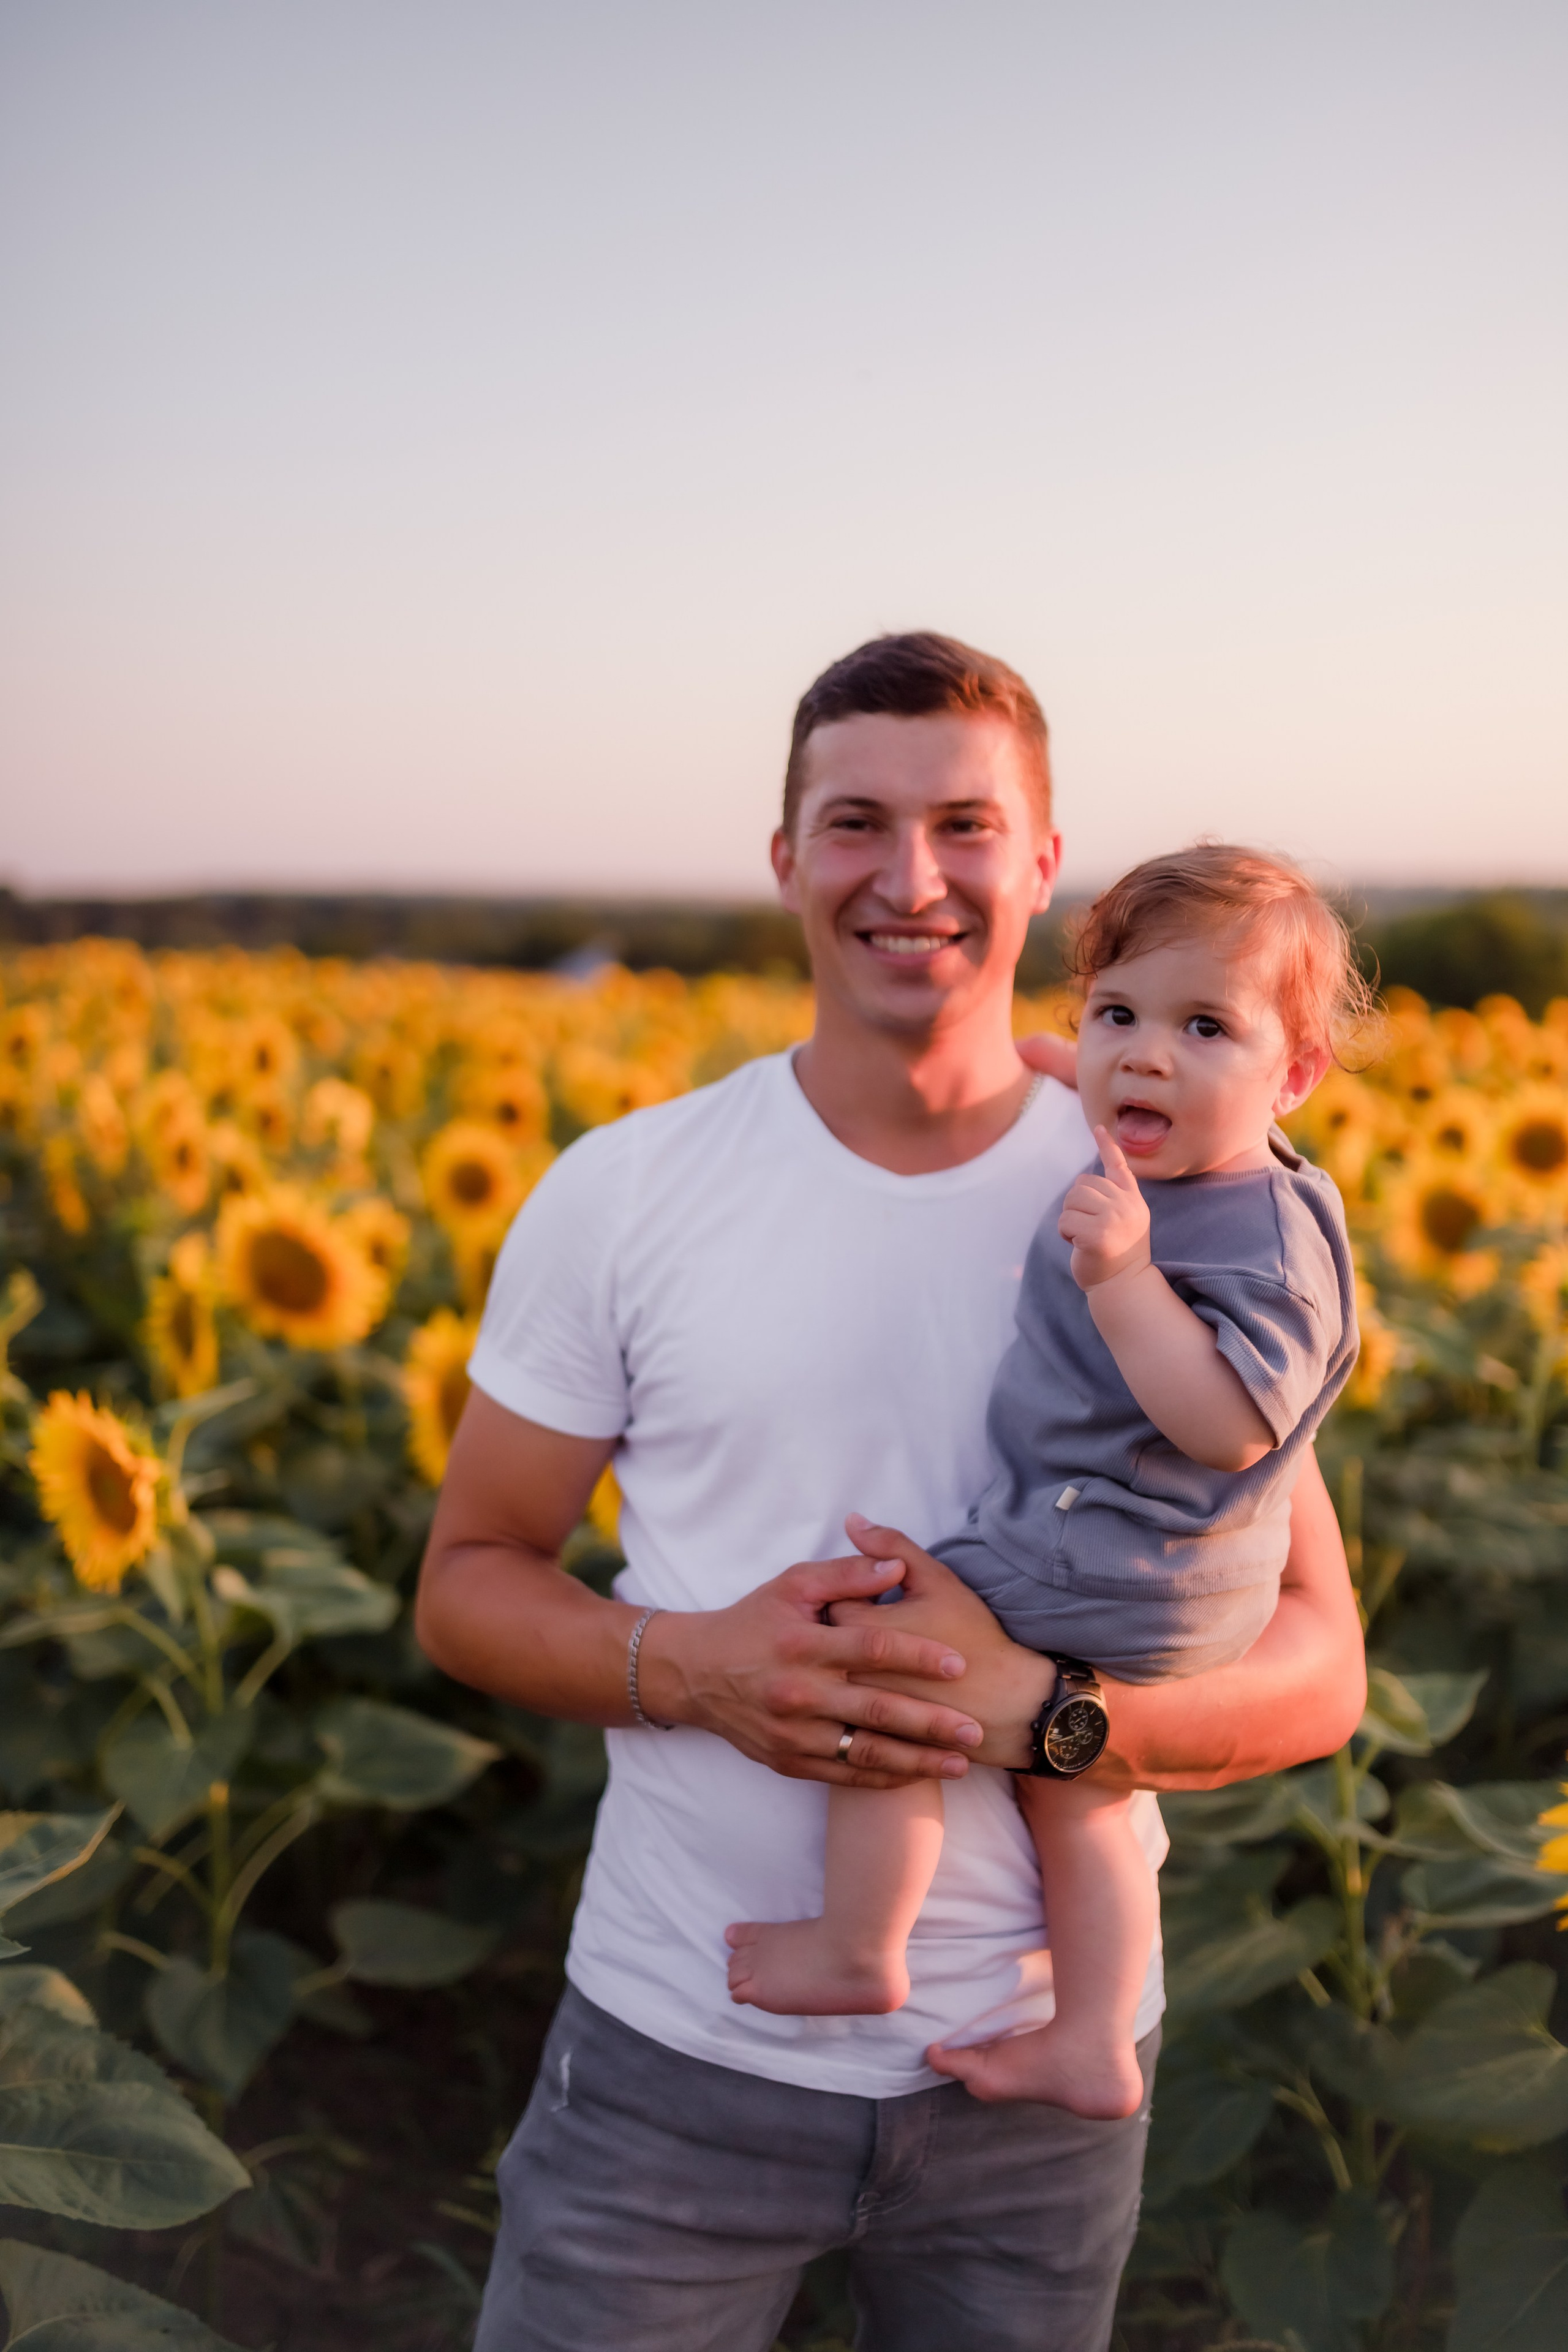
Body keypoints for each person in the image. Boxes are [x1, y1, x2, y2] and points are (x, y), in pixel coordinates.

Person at [415, 632, 1367, 2352]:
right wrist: (695, 1668)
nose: (910, 878)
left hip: (1041, 2098)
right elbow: (470, 1576)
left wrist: (1046, 1722)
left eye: (966, 826)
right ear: (785, 859)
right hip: (680, 2058)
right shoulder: (625, 1194)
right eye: (855, 822)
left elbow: (1318, 1662)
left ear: (1045, 864)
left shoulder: (1185, 1188)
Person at [724, 846, 1363, 2126]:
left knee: (886, 1645)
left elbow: (1231, 1424)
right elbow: (1167, 1082)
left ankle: (859, 1943)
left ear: (1291, 1075)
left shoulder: (1255, 1238)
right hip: (1156, 1567)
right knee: (1081, 1797)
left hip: (1111, 1551)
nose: (1142, 1058)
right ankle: (1087, 2038)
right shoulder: (1234, 1165)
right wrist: (1109, 1075)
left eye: (1200, 1028)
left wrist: (1124, 1279)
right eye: (1115, 1016)